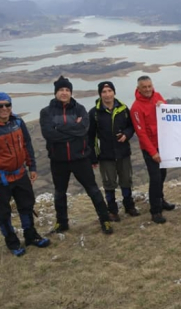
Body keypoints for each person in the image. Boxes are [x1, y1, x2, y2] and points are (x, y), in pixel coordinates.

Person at [40, 76, 113, 234]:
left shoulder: (80, 109)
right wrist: (73, 127)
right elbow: (49, 135)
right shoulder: (46, 112)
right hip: (58, 160)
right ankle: (62, 223)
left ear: (71, 92)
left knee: (93, 190)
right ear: (55, 92)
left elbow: (83, 131)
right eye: (61, 90)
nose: (64, 93)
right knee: (60, 193)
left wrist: (59, 127)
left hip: (80, 158)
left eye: (67, 90)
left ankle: (105, 220)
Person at [0, 93, 50, 256]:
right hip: (2, 178)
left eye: (7, 105)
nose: (4, 109)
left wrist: (32, 167)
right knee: (3, 213)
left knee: (26, 205)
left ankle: (30, 236)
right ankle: (13, 243)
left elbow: (27, 145)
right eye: (0, 106)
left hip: (20, 173)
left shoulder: (18, 123)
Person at [89, 81, 139, 221]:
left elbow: (131, 127)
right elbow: (90, 137)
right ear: (100, 94)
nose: (107, 94)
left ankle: (129, 206)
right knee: (109, 183)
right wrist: (93, 157)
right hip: (105, 155)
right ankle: (112, 210)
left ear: (114, 92)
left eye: (110, 91)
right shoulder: (94, 113)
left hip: (123, 153)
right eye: (104, 92)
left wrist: (126, 135)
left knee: (126, 181)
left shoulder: (123, 109)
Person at [130, 75, 175, 224]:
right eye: (144, 87)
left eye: (150, 86)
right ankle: (155, 210)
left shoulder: (157, 96)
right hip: (151, 149)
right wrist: (153, 152)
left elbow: (167, 113)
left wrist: (164, 105)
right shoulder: (136, 108)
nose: (148, 89)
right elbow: (141, 133)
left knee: (162, 175)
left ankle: (161, 200)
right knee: (155, 179)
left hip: (163, 145)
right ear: (139, 89)